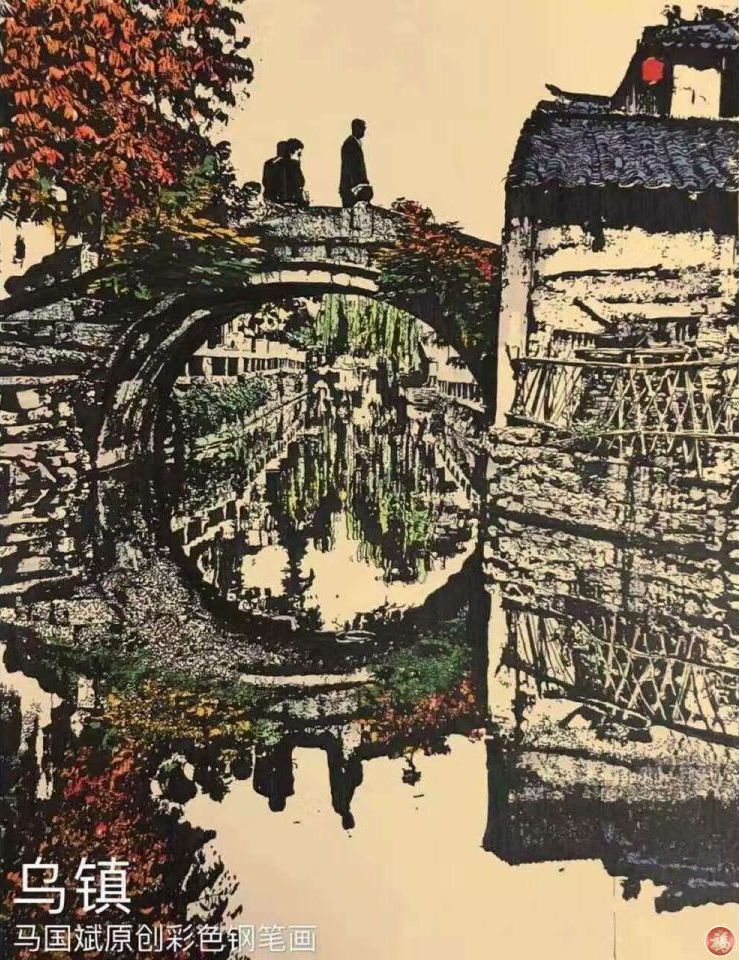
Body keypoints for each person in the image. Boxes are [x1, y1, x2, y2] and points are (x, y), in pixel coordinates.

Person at [339, 118, 373, 208]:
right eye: (362, 129)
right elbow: (350, 167)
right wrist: (357, 185)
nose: (364, 132)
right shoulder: (350, 144)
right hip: (351, 188)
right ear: (356, 129)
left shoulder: (354, 143)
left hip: (354, 187)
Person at [284, 138, 309, 207]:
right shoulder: (293, 166)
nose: (300, 157)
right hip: (292, 204)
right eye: (299, 154)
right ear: (290, 153)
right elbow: (298, 184)